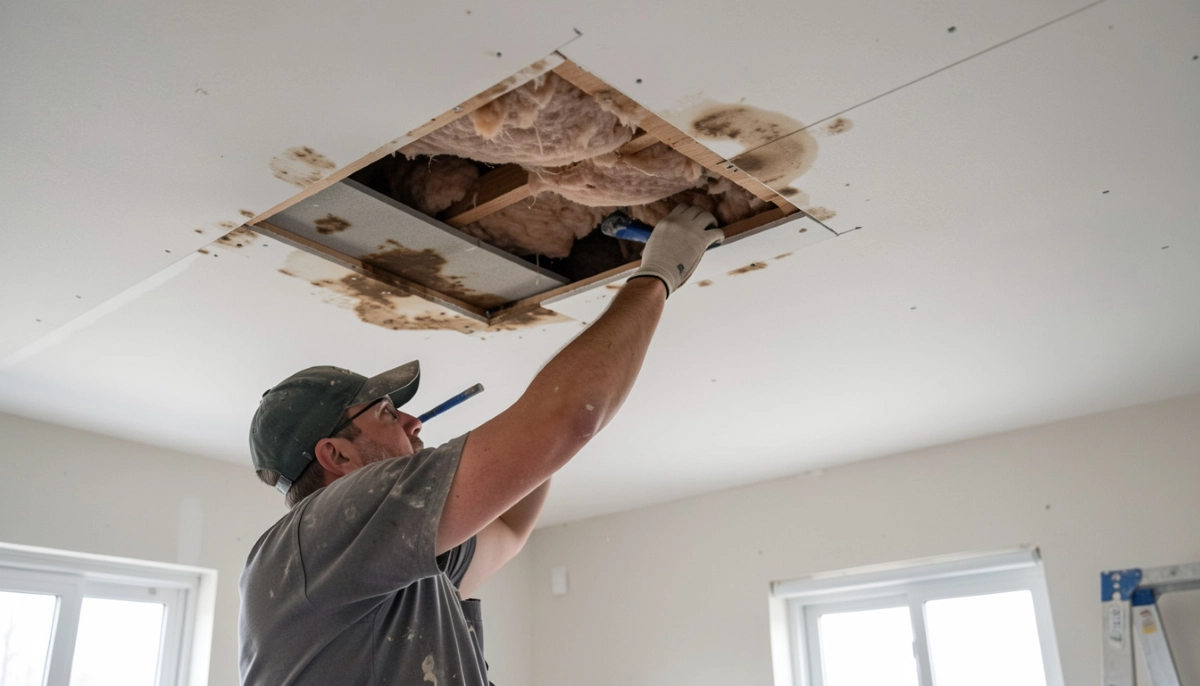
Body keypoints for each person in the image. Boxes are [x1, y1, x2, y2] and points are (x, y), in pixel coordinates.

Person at [238, 204, 723, 685]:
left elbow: (509, 528)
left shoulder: (376, 563)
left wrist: (527, 436)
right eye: (386, 413)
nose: (410, 422)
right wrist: (658, 275)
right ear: (336, 455)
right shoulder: (322, 534)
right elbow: (573, 417)